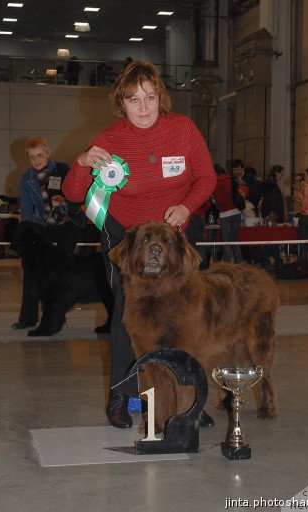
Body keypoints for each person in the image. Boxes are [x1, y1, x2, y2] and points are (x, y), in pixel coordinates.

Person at [62, 61, 217, 429]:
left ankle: (187, 399)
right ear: (121, 102)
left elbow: (207, 177)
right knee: (126, 317)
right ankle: (123, 397)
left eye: (149, 97)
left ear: (160, 97)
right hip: (127, 240)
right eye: (134, 100)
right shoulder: (111, 138)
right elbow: (71, 192)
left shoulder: (182, 129)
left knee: (184, 316)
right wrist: (84, 161)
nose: (143, 107)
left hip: (174, 237)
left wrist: (186, 205)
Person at [12, 136, 86, 330]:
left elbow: (76, 196)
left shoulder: (62, 170)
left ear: (47, 153)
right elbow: (27, 210)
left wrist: (64, 201)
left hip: (66, 225)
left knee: (61, 271)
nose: (36, 160)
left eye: (40, 155)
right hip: (41, 228)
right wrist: (24, 233)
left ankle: (53, 316)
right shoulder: (26, 179)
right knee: (31, 269)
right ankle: (27, 318)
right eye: (32, 157)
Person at [214, 165, 243, 263]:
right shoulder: (231, 179)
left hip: (225, 214)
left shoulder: (217, 182)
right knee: (234, 240)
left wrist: (215, 202)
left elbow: (220, 199)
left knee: (226, 241)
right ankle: (239, 263)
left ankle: (227, 265)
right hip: (237, 212)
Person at [260, 165, 285, 270]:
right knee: (273, 241)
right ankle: (275, 262)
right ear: (277, 173)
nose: (281, 176)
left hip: (268, 216)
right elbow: (274, 203)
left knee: (270, 241)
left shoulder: (269, 185)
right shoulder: (273, 187)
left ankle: (266, 262)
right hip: (272, 217)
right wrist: (274, 218)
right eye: (281, 174)